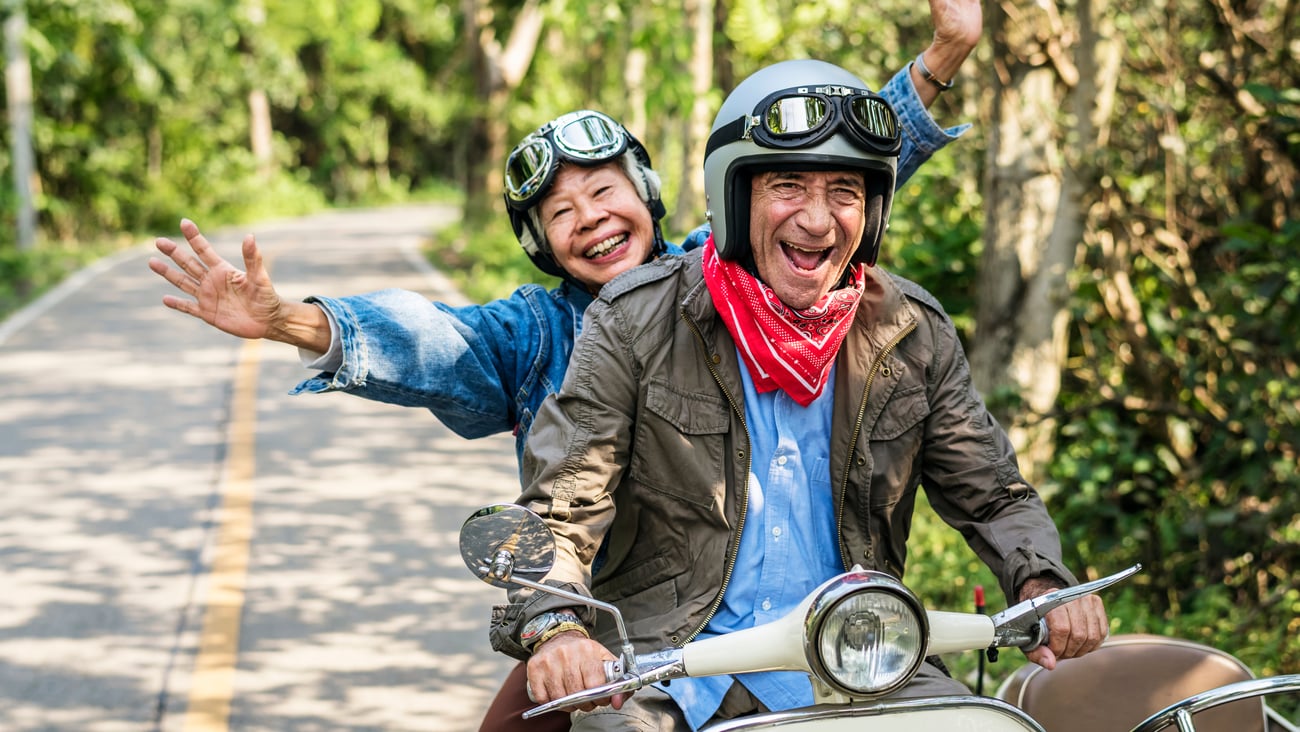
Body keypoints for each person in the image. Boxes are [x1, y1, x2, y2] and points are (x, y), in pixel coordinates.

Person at [148, 5, 980, 727]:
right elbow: (427, 338)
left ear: (650, 194)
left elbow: (826, 186)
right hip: (597, 631)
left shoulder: (723, 277)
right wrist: (291, 319)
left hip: (807, 626)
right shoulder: (535, 333)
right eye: (560, 211)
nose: (590, 218)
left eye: (604, 190)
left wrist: (940, 59)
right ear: (540, 241)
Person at [490, 57, 1110, 732]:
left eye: (845, 191)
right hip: (672, 667)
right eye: (788, 185)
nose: (817, 220)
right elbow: (563, 504)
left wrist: (1043, 582)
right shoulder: (633, 319)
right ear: (733, 196)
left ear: (871, 211)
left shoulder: (911, 332)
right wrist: (556, 628)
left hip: (865, 658)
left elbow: (992, 492)